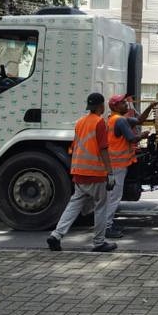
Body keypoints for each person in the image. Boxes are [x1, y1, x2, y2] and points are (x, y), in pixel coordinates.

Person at [46, 92, 118, 253]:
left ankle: (56, 235)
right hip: (96, 173)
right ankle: (99, 242)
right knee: (101, 207)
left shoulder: (80, 122)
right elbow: (103, 149)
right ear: (101, 106)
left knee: (74, 205)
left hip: (79, 171)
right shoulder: (100, 122)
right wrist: (110, 173)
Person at [103, 94, 156, 238]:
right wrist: (143, 136)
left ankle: (108, 224)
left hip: (116, 163)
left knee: (111, 196)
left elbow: (140, 120)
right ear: (115, 106)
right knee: (114, 197)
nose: (126, 104)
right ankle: (106, 227)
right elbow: (131, 138)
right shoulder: (120, 120)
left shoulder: (117, 119)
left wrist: (150, 107)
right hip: (117, 164)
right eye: (122, 103)